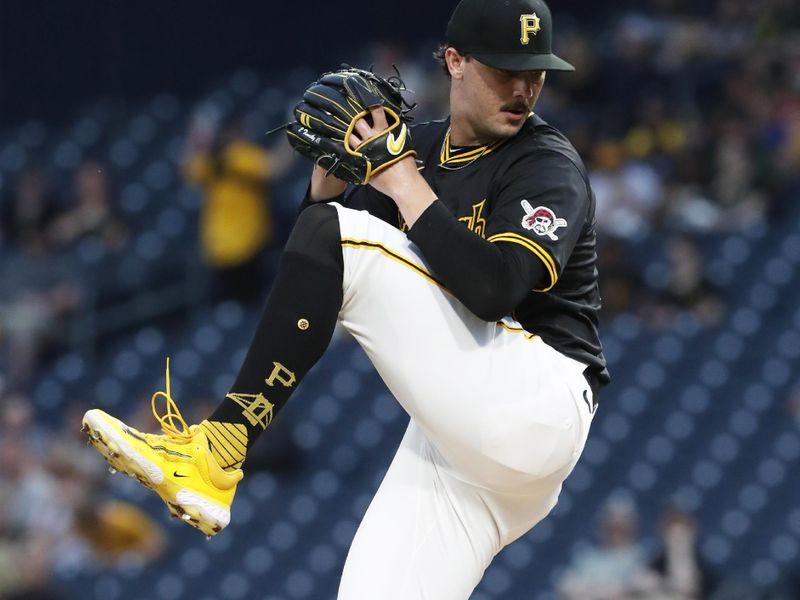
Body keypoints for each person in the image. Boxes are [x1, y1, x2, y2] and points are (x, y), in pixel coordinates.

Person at [83, 0, 609, 597]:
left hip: (538, 400)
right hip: (461, 447)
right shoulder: (423, 149)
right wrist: (325, 185)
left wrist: (397, 176)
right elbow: (318, 266)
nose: (523, 88)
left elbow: (494, 291)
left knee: (338, 232)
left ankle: (221, 447)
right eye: (505, 70)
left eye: (535, 72)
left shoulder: (547, 163)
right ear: (456, 62)